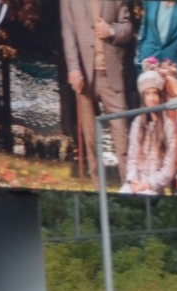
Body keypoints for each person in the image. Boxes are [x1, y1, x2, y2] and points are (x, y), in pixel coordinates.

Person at [58, 0, 132, 177]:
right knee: (91, 142)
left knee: (122, 138)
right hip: (84, 76)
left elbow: (127, 28)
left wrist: (111, 30)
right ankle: (97, 193)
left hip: (111, 75)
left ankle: (130, 191)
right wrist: (74, 68)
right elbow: (68, 34)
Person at [119, 64, 177, 195]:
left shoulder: (168, 126)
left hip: (153, 186)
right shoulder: (137, 123)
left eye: (155, 94)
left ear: (160, 96)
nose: (151, 98)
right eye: (147, 94)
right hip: (136, 183)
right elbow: (132, 159)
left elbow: (168, 168)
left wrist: (148, 184)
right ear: (143, 97)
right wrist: (133, 181)